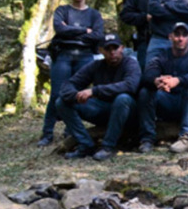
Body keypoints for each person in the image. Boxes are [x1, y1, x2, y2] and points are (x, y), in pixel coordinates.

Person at [39, 0, 105, 146]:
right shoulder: (62, 10)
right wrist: (84, 30)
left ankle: (71, 131)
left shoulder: (94, 14)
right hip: (63, 55)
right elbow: (59, 29)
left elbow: (97, 35)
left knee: (78, 94)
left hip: (85, 56)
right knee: (56, 94)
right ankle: (47, 133)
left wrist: (71, 31)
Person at [56, 33, 140, 161]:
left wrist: (94, 91)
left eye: (115, 48)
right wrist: (77, 95)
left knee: (122, 98)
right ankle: (85, 144)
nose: (112, 52)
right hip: (102, 110)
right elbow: (69, 84)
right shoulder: (96, 66)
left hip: (127, 113)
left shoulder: (131, 64)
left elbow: (130, 85)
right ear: (101, 50)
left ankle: (108, 147)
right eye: (108, 49)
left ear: (122, 48)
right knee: (61, 102)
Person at [137, 22, 188, 154]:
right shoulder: (162, 55)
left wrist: (178, 81)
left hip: (186, 104)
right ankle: (147, 138)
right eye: (177, 35)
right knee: (145, 91)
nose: (180, 38)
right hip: (166, 101)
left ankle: (187, 137)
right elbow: (148, 73)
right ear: (170, 37)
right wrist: (157, 81)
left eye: (184, 35)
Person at [119, 0, 167, 69]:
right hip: (145, 41)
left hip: (165, 39)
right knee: (145, 69)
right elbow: (125, 15)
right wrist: (144, 17)